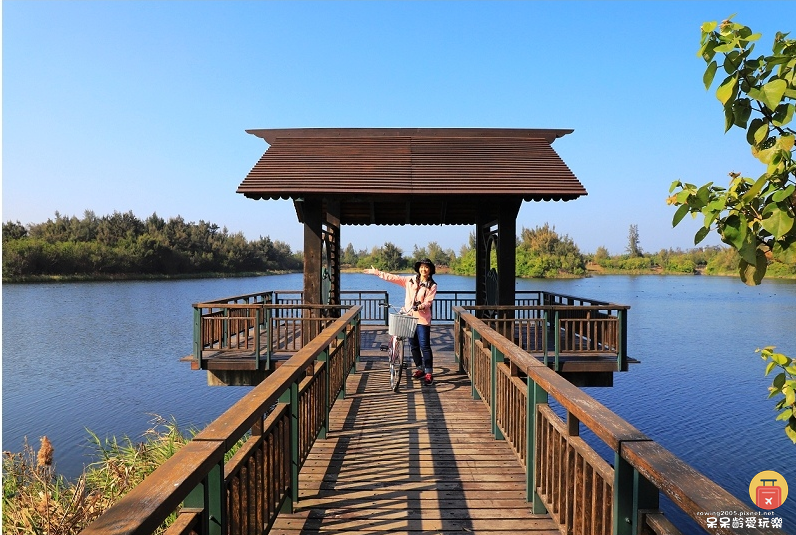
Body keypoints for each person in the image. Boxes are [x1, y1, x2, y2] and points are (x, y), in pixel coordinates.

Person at [364, 258, 438, 385]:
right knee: (413, 345)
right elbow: (393, 278)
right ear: (418, 268)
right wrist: (377, 272)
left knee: (424, 346)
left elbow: (428, 301)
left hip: (422, 319)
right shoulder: (410, 280)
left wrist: (422, 306)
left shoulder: (432, 285)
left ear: (430, 270)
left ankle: (429, 373)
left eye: (426, 267)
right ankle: (419, 368)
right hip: (408, 316)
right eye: (421, 267)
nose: (423, 269)